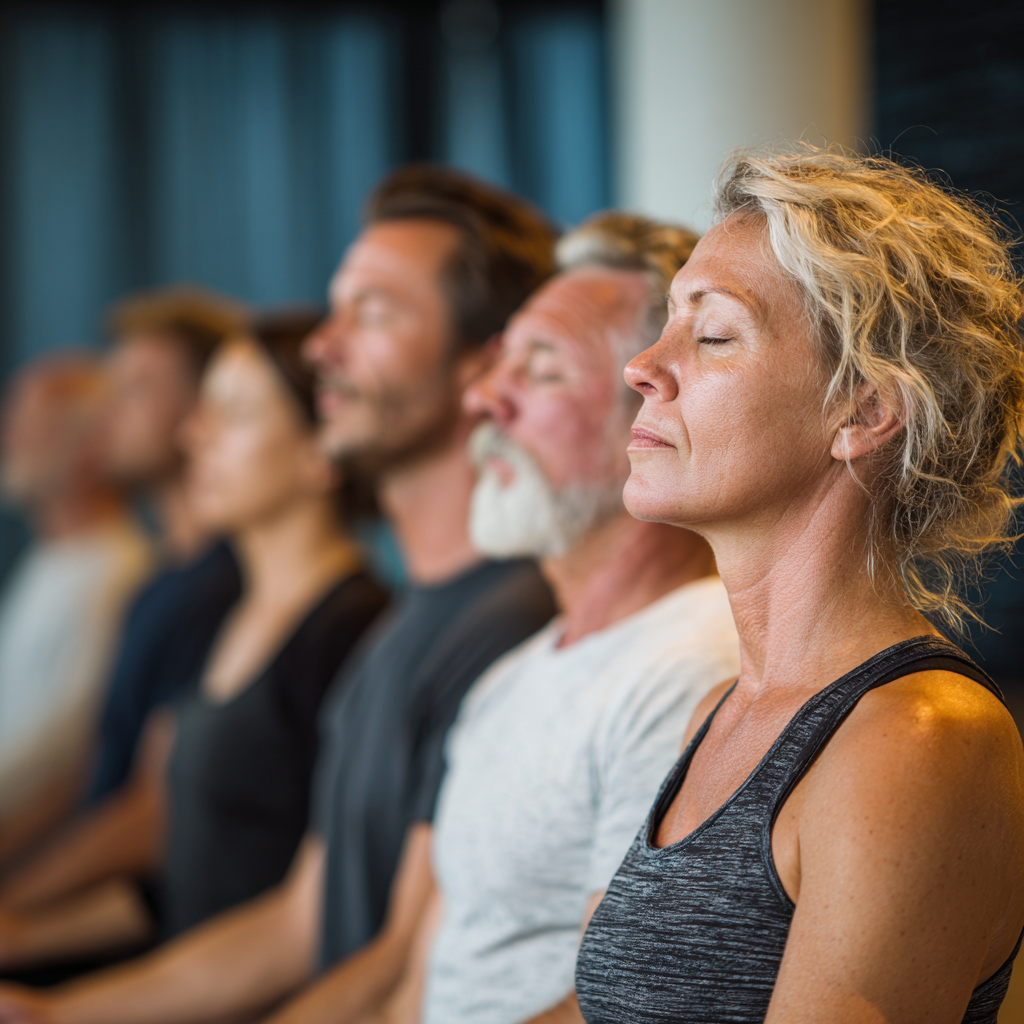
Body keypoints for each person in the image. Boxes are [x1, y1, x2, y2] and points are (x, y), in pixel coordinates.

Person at [0, 165, 558, 1024]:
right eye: (335, 310)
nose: (325, 346)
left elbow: (402, 975)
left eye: (373, 313)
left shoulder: (511, 624)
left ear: (483, 365)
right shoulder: (403, 628)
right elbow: (301, 919)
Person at [570, 146, 1024, 1023]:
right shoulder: (722, 712)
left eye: (712, 336)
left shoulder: (920, 740)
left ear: (862, 412)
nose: (643, 367)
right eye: (667, 323)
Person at [399, 211, 739, 1024]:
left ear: (652, 411)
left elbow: (617, 1008)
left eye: (540, 370)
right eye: (496, 366)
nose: (482, 400)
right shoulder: (508, 679)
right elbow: (417, 985)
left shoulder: (698, 669)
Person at [0, 312, 389, 971]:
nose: (194, 436)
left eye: (231, 414)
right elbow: (177, 891)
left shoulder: (348, 631)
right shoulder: (235, 613)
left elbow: (300, 921)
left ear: (319, 451)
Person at [0, 286, 247, 911]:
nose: (108, 412)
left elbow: (152, 811)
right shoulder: (157, 580)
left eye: (136, 387)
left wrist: (18, 906)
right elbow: (87, 773)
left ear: (203, 407)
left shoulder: (224, 583)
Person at [0, 355, 152, 842]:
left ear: (89, 446)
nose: (11, 441)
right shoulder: (50, 560)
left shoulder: (115, 575)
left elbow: (62, 756)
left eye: (33, 426)